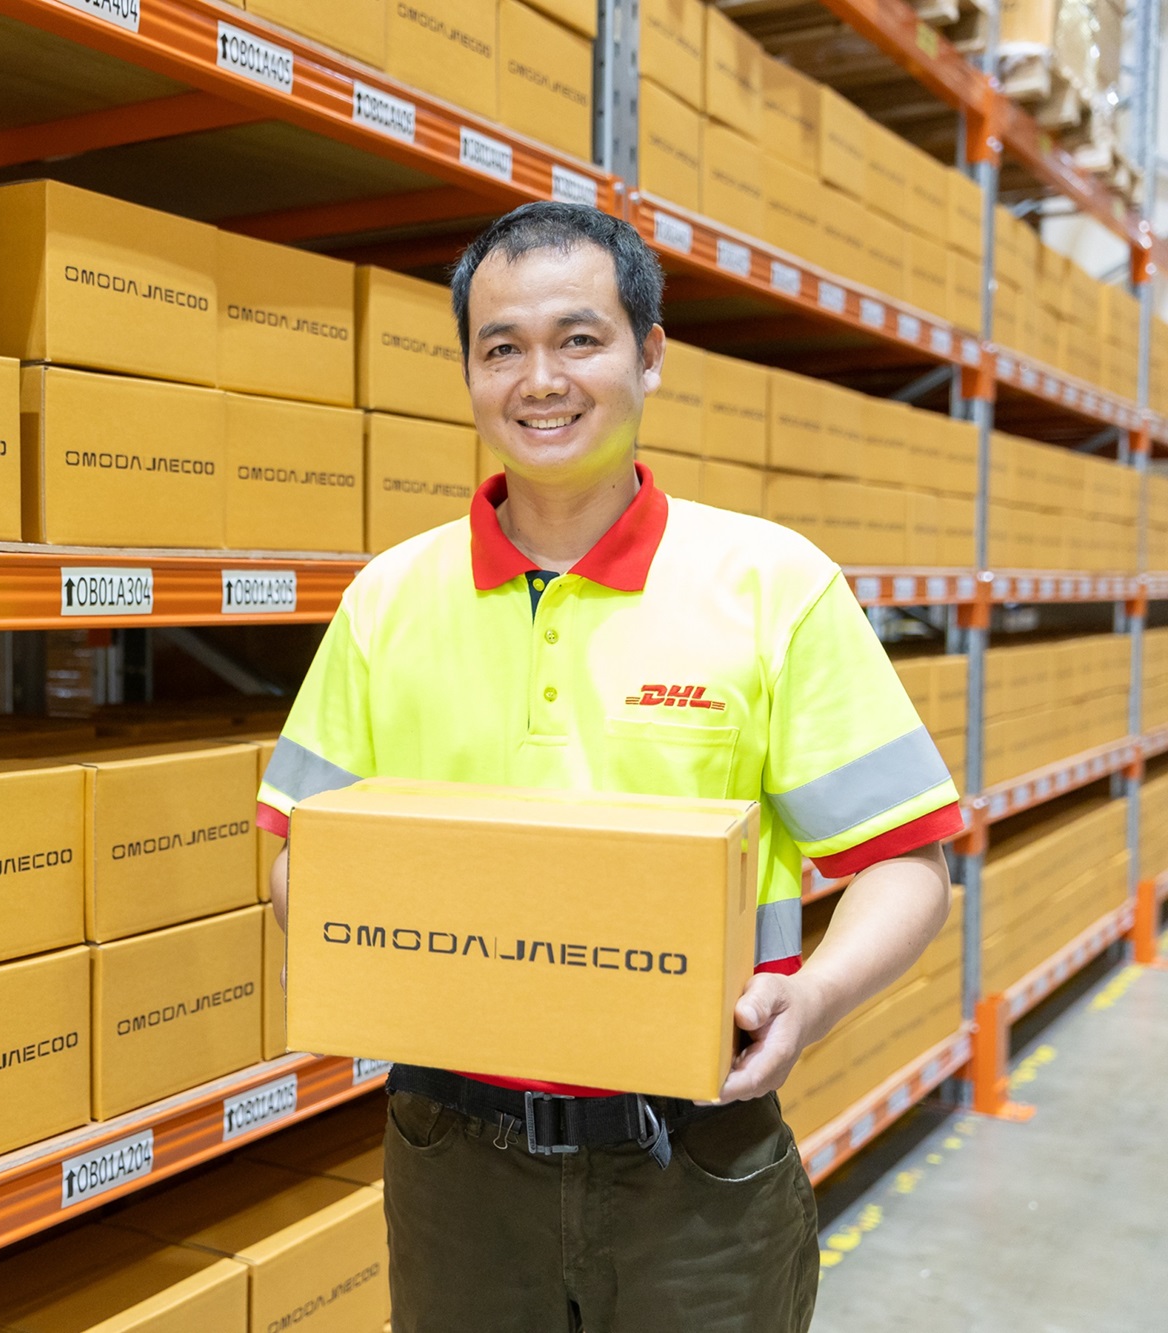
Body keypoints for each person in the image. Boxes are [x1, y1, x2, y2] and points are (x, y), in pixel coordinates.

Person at [257, 202, 957, 1332]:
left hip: (695, 1161)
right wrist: (382, 953)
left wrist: (813, 996)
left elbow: (907, 863)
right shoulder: (388, 599)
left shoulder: (771, 585)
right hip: (451, 1160)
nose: (540, 380)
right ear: (469, 373)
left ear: (649, 353)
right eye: (502, 348)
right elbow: (300, 856)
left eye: (578, 339)